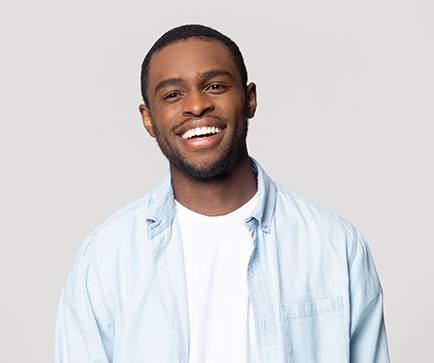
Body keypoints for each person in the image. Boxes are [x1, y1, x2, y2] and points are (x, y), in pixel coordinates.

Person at [55, 24, 390, 363]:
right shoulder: (105, 260)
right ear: (148, 120)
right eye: (172, 94)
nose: (197, 105)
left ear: (249, 99)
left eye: (215, 86)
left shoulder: (334, 246)